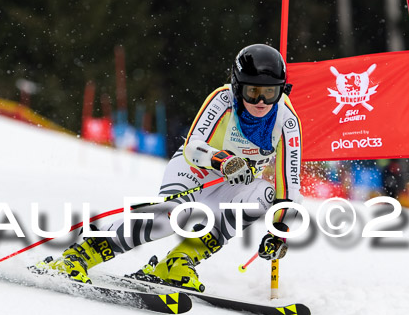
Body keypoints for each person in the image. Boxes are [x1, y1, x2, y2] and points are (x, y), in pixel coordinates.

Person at [36, 44, 303, 292]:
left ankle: (177, 263)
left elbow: (289, 185)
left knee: (266, 195)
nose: (261, 102)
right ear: (237, 86)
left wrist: (278, 233)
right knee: (178, 217)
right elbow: (193, 147)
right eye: (252, 91)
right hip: (196, 171)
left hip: (235, 183)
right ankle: (80, 255)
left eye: (271, 93)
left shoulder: (287, 122)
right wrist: (223, 160)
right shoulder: (222, 100)